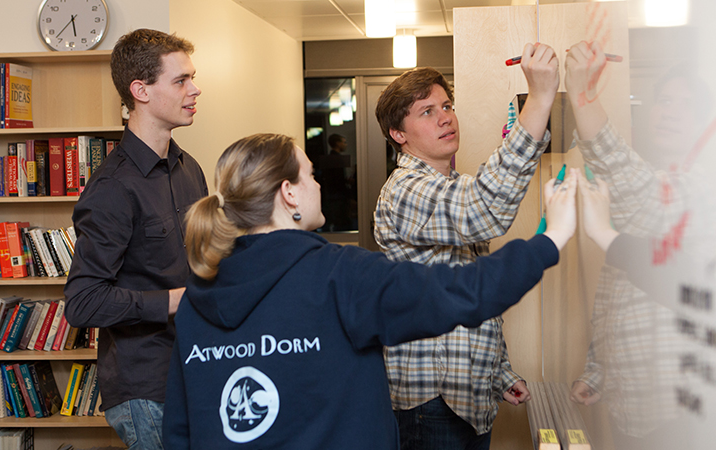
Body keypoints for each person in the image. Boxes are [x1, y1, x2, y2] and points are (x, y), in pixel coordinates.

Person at [161, 133, 578, 449]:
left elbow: (181, 431)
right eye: (310, 175)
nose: (319, 184)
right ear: (288, 193)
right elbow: (460, 292)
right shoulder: (339, 275)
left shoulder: (198, 299)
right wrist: (551, 238)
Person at [373, 43, 559, 449]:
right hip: (431, 403)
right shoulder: (405, 190)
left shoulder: (453, 187)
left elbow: (471, 293)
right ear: (398, 134)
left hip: (469, 398)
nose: (445, 118)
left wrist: (500, 374)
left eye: (447, 105)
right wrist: (541, 97)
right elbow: (487, 209)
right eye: (427, 112)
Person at [564, 40, 716, 449]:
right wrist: (598, 373)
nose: (670, 111)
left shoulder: (701, 190)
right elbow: (619, 293)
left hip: (682, 416)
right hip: (634, 408)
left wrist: (581, 91)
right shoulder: (655, 187)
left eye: (686, 105)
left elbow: (625, 175)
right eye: (664, 100)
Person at [63, 28, 209, 450]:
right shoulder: (112, 187)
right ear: (140, 90)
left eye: (192, 78)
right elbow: (83, 302)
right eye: (181, 80)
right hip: (146, 387)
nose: (195, 89)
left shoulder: (188, 167)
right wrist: (177, 299)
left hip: (194, 366)